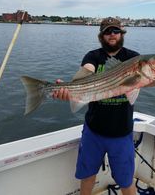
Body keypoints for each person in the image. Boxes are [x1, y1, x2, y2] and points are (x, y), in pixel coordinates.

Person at [53, 17, 139, 195]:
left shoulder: (133, 58)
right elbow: (87, 70)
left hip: (122, 133)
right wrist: (69, 89)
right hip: (93, 132)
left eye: (115, 31)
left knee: (126, 180)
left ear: (122, 33)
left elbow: (152, 81)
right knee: (87, 176)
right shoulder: (93, 56)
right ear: (101, 36)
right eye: (107, 31)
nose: (112, 35)